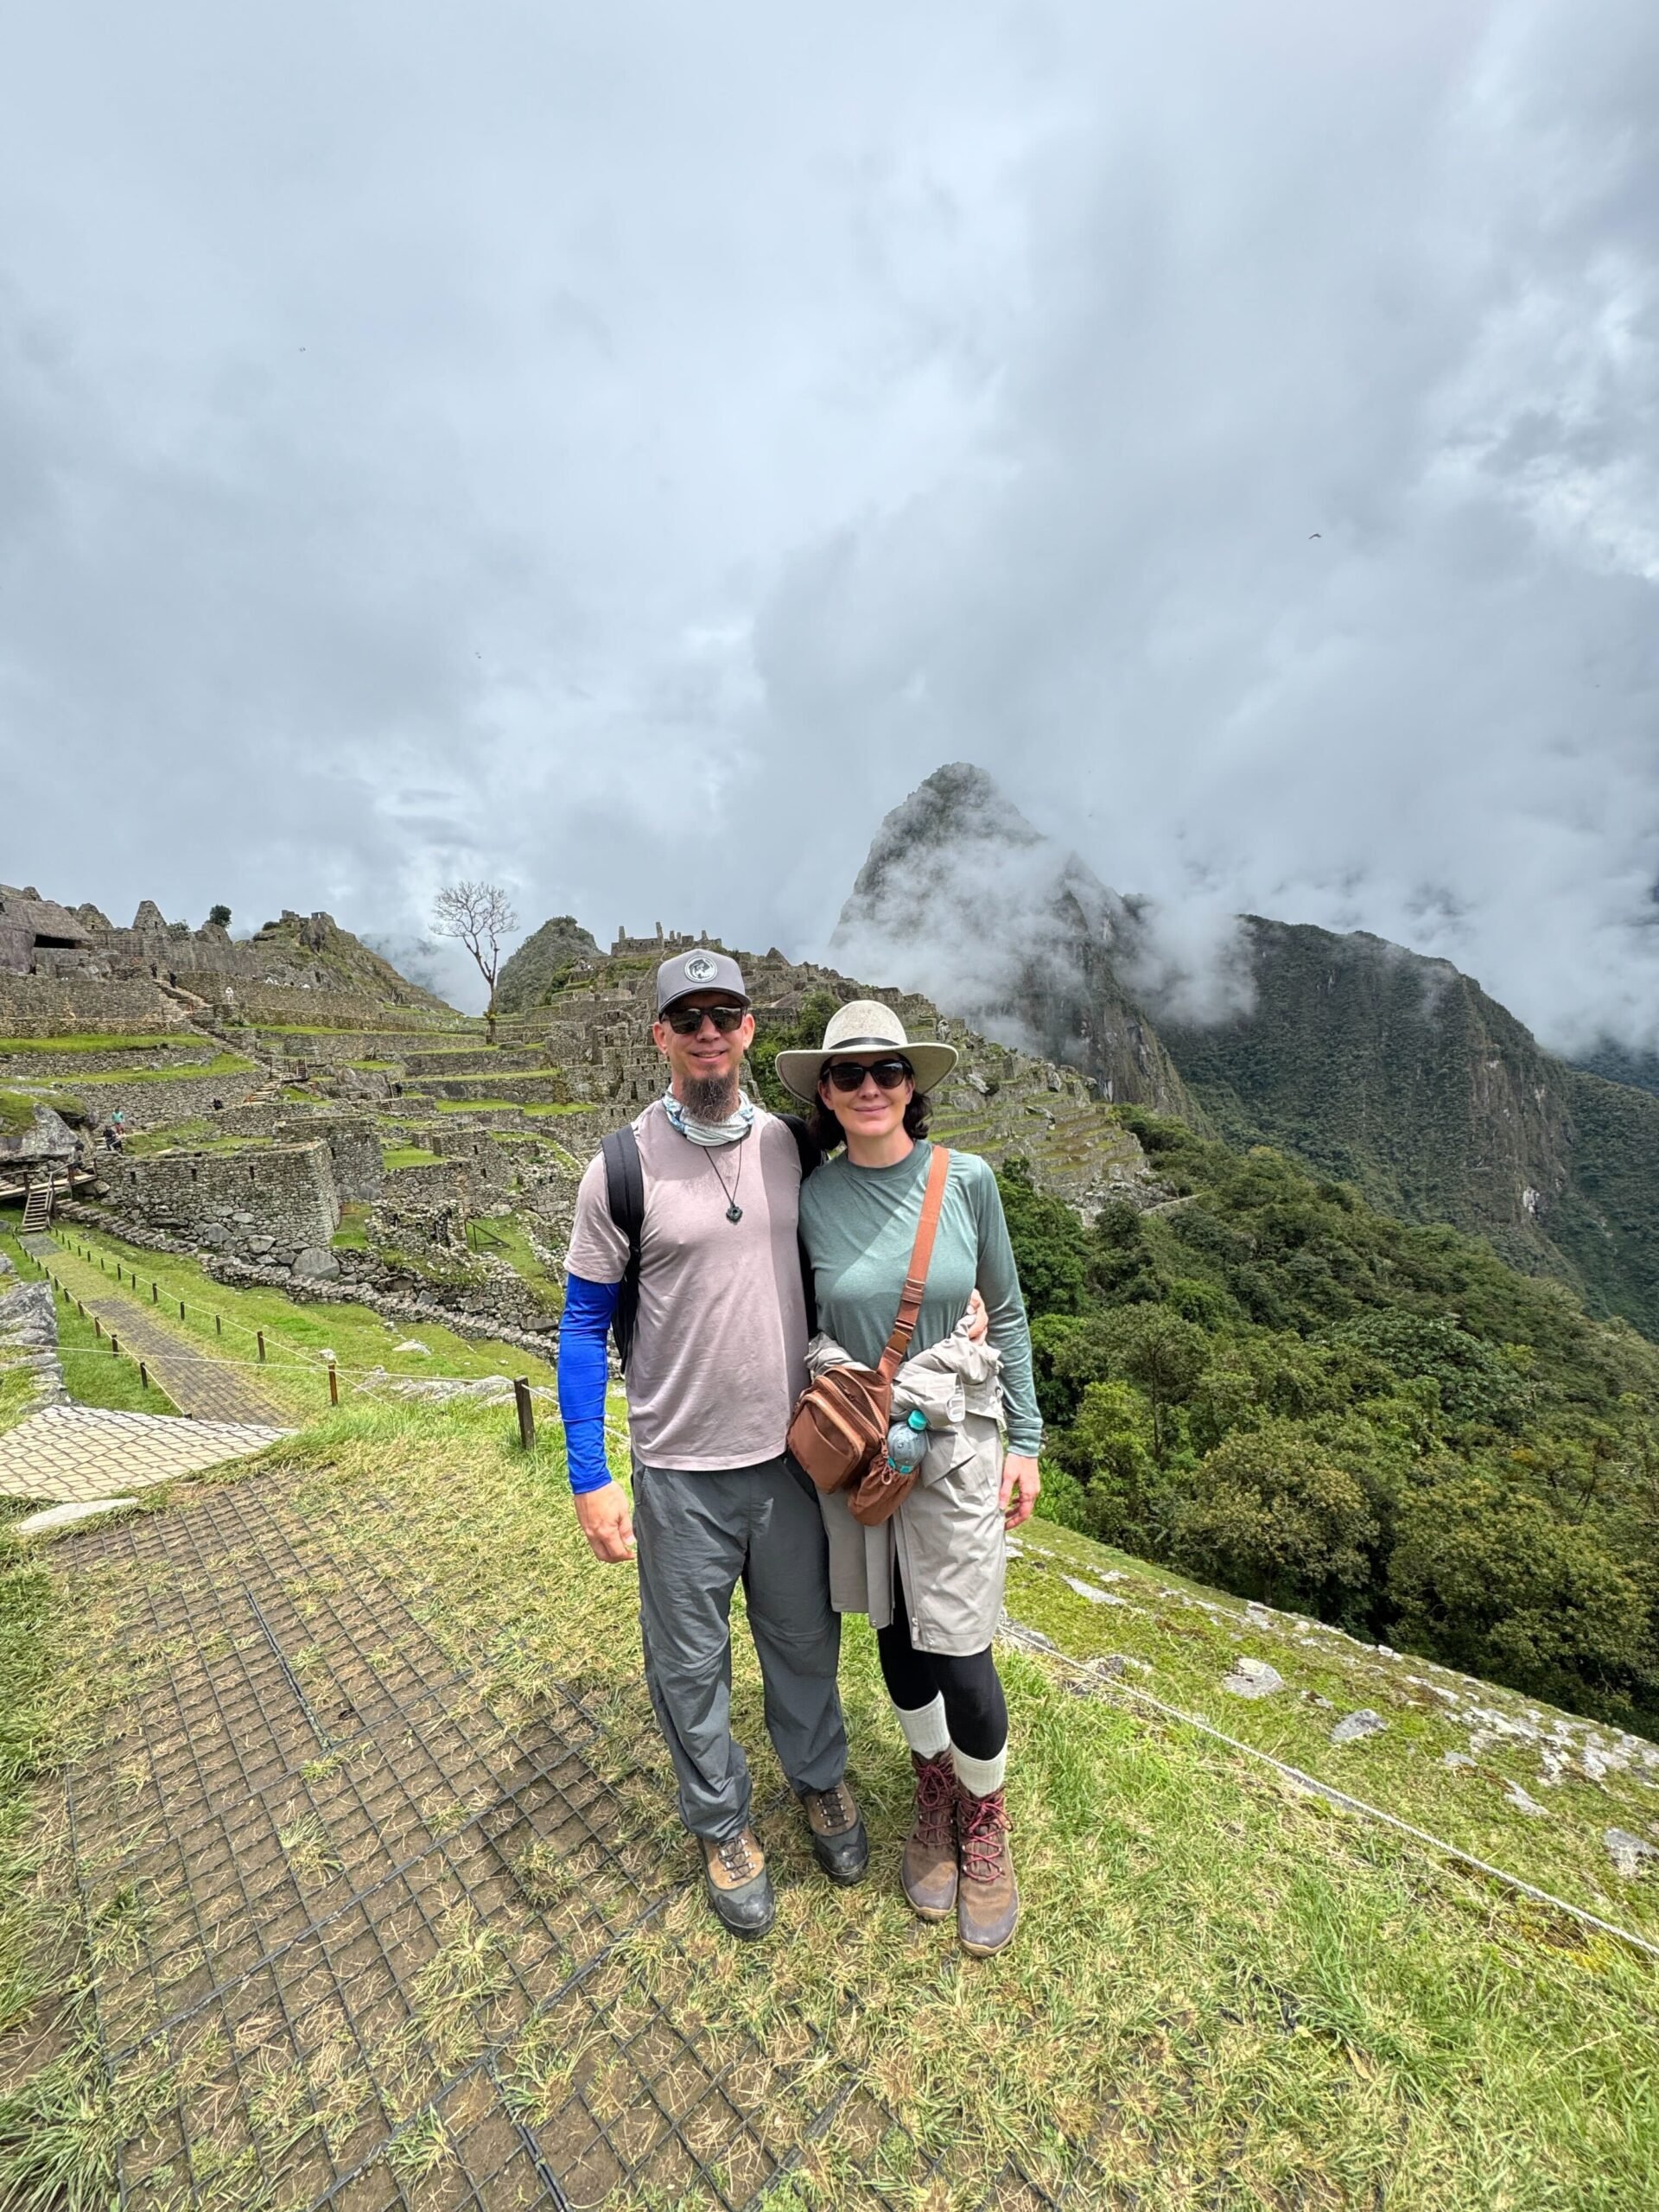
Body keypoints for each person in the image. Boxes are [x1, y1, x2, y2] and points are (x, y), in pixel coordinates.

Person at [556, 948, 868, 1939]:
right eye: (686, 1017)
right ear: (660, 1035)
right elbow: (582, 1326)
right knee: (689, 1666)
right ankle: (723, 1823)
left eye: (723, 1014)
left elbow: (861, 1245)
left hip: (789, 1459)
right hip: (680, 1473)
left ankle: (819, 1778)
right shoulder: (619, 1170)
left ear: (748, 1030)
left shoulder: (791, 1149)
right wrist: (589, 1471)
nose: (706, 1032)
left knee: (804, 1642)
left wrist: (965, 1307)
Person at [779, 1001, 1042, 1957]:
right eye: (849, 1075)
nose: (870, 1088)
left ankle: (984, 1814)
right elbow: (800, 1316)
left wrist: (1028, 1440)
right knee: (894, 1630)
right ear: (826, 1093)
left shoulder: (965, 1181)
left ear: (911, 1085)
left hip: (957, 1445)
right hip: (863, 1449)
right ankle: (934, 1787)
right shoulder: (811, 1198)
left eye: (887, 1071)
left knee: (960, 1647)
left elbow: (1006, 1312)